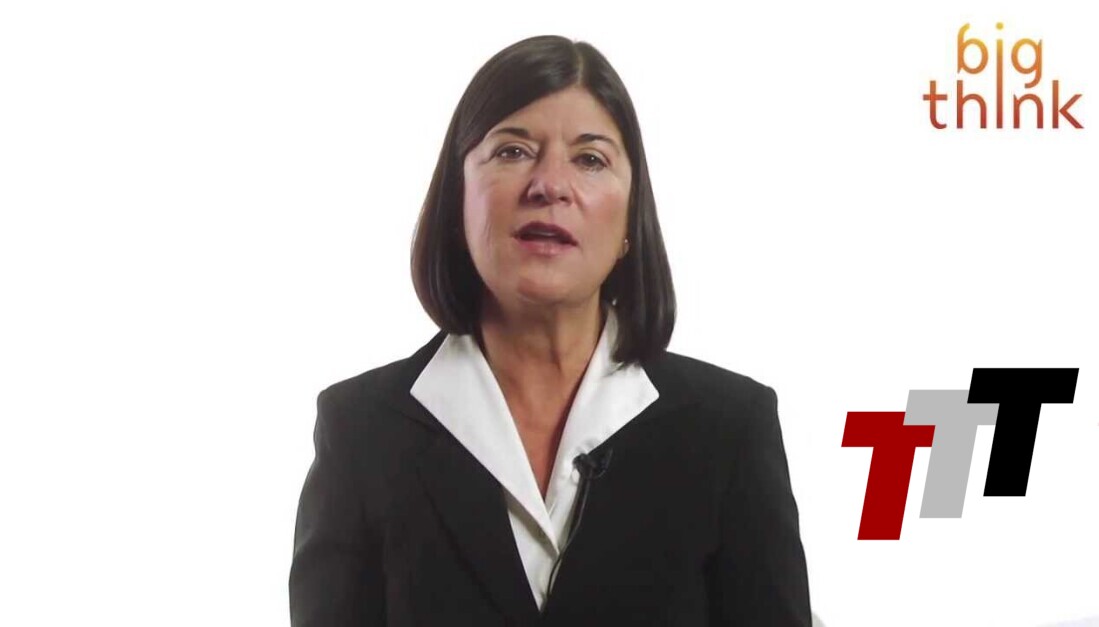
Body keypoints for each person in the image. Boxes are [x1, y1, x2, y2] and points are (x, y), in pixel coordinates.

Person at [289, 34, 810, 626]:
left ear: (629, 220)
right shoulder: (361, 431)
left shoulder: (731, 427)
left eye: (590, 159)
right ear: (458, 202)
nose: (550, 184)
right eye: (512, 151)